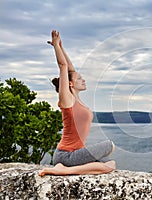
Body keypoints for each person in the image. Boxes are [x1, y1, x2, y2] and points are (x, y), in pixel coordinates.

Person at [39, 30, 116, 176]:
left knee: (110, 165)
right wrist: (55, 46)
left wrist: (61, 47)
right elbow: (63, 66)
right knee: (109, 146)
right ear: (69, 84)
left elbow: (70, 69)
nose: (83, 80)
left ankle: (65, 170)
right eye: (79, 79)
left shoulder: (77, 99)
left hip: (74, 155)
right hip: (65, 155)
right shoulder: (67, 100)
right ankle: (63, 170)